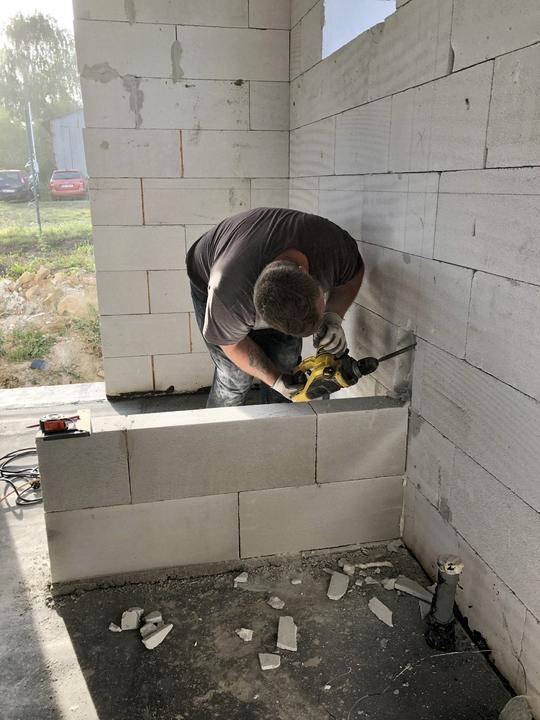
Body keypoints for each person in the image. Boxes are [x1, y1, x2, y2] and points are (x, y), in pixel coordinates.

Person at [186, 207, 364, 407]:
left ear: (309, 275)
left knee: (286, 362)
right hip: (208, 271)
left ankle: (277, 419)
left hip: (258, 250)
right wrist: (275, 380)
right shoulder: (229, 295)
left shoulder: (333, 248)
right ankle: (219, 425)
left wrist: (333, 317)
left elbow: (353, 274)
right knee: (234, 378)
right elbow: (232, 345)